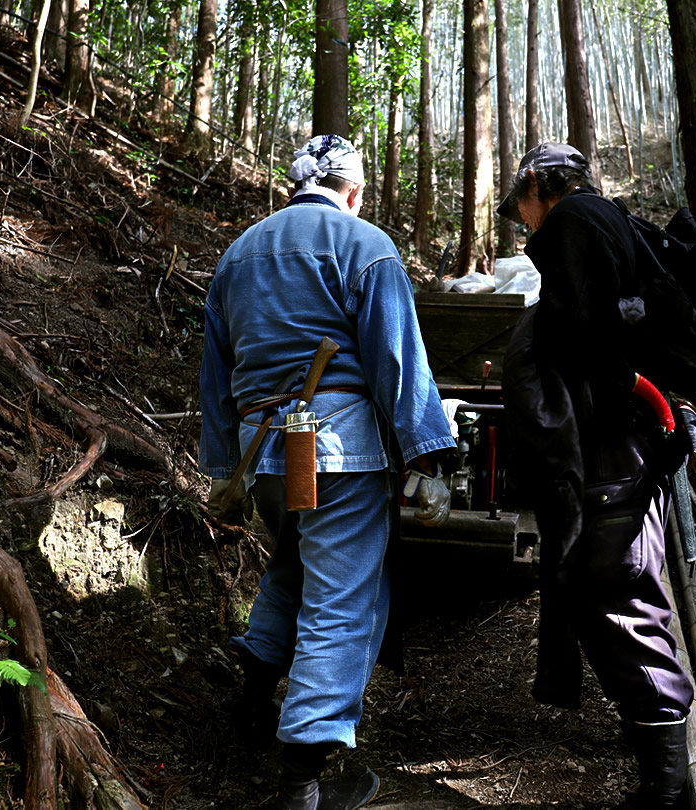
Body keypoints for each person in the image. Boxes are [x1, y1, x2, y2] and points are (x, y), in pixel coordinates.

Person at [199, 134, 456, 810]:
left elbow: (215, 374)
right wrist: (428, 451)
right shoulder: (363, 244)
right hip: (340, 451)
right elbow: (397, 360)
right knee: (344, 602)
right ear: (354, 190)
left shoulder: (237, 255)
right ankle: (306, 779)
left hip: (265, 458)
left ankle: (256, 684)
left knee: (291, 563)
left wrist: (223, 465)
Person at [497, 143, 694, 809]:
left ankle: (666, 791)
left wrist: (588, 418)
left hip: (610, 454)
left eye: (520, 212)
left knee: (616, 593)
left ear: (535, 184)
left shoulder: (574, 224)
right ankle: (663, 781)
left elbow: (589, 344)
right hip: (623, 448)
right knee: (613, 588)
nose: (522, 225)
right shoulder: (609, 220)